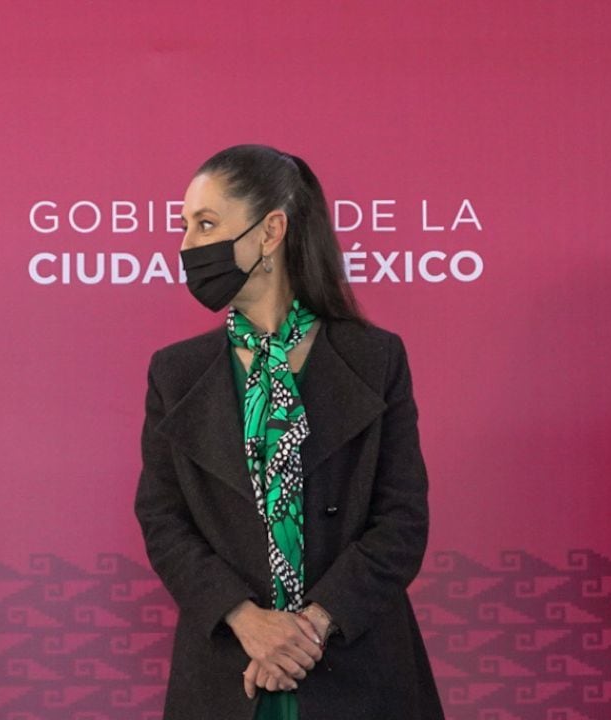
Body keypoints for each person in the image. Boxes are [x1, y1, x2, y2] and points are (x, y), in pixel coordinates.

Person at [134, 145, 443, 719]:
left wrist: (309, 629)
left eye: (205, 224)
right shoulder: (175, 373)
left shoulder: (376, 360)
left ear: (271, 230)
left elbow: (401, 519)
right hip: (229, 675)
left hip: (357, 668)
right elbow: (163, 520)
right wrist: (248, 622)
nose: (185, 246)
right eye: (184, 227)